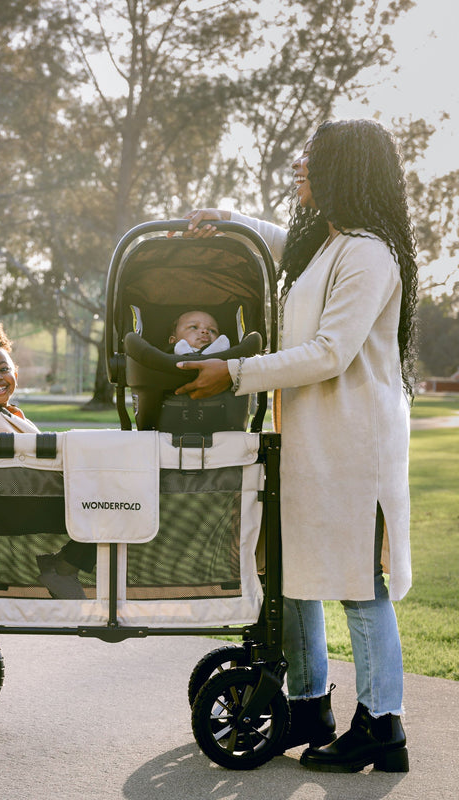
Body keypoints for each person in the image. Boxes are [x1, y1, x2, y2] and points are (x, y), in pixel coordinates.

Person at [174, 118, 416, 773]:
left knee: (361, 588)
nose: (297, 172)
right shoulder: (325, 247)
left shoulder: (367, 251)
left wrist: (236, 371)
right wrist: (227, 218)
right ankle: (309, 706)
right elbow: (285, 249)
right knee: (296, 576)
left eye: (310, 163)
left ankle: (382, 726)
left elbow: (332, 351)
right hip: (310, 446)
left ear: (345, 170)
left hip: (354, 448)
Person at [0, 319, 95, 599]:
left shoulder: (8, 413)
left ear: (15, 370)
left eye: (3, 369)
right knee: (112, 506)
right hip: (18, 501)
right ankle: (63, 567)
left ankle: (63, 565)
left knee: (113, 503)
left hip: (32, 493)